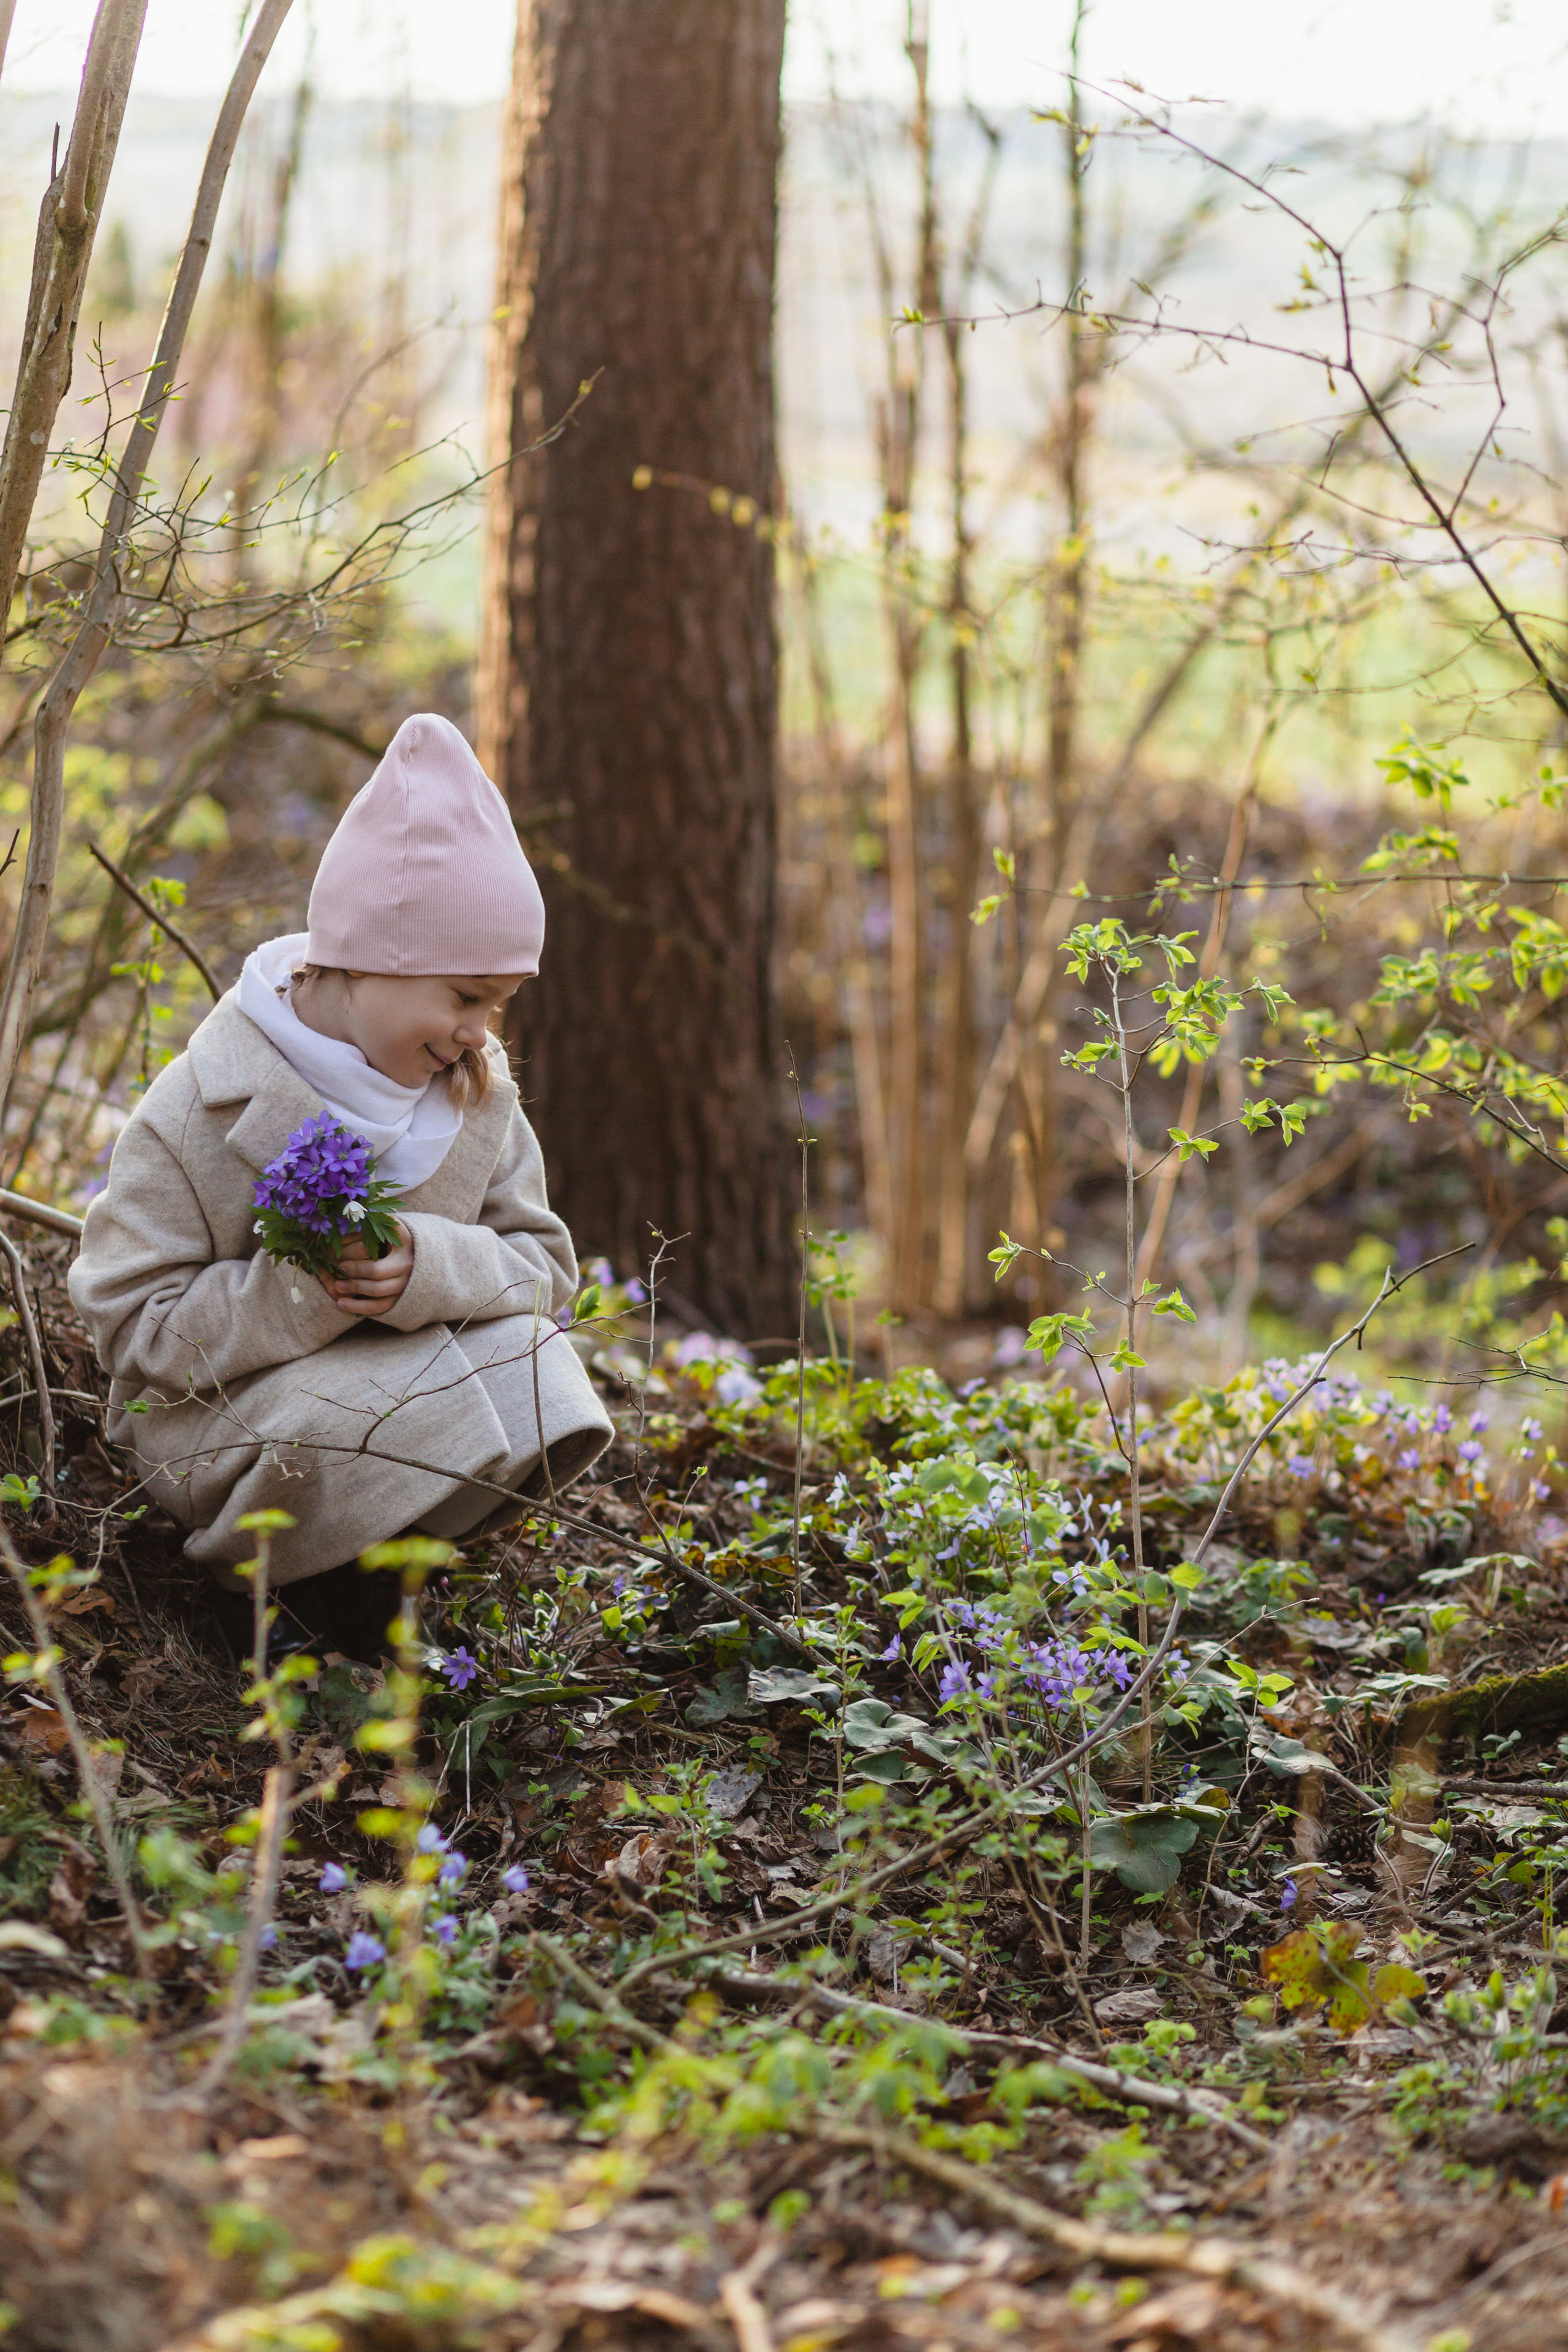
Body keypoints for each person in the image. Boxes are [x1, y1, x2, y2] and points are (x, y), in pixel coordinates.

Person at [68, 713, 612, 1657]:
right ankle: (273, 1611)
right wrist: (301, 1293)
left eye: (498, 1005)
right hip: (227, 1419)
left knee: (539, 1368)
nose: (481, 1031)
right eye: (464, 996)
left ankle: (381, 1590)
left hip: (402, 1387)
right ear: (370, 957)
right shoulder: (203, 1102)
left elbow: (544, 1269)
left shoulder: (474, 1096)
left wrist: (425, 1269)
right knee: (367, 1420)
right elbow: (128, 1322)